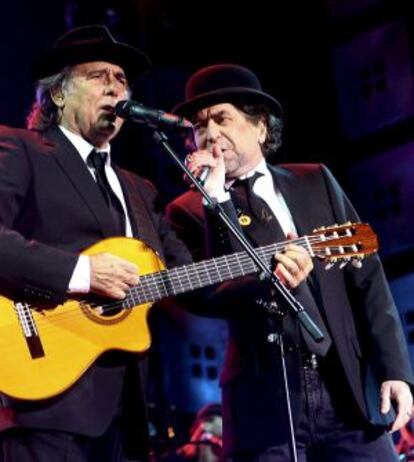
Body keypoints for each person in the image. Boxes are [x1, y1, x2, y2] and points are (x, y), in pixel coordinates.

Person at [166, 64, 414, 461]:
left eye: (222, 118)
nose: (210, 133)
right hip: (266, 405)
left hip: (345, 387)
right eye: (199, 125)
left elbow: (368, 280)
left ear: (260, 127)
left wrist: (396, 370)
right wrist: (218, 201)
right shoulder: (190, 211)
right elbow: (220, 292)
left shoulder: (315, 180)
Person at [0, 25, 193, 462]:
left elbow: (193, 278)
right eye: (98, 76)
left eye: (121, 79)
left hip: (125, 417)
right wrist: (84, 273)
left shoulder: (139, 189)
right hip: (45, 401)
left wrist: (217, 198)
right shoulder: (23, 149)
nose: (114, 87)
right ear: (58, 95)